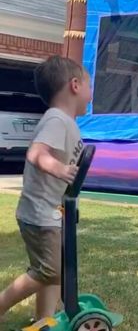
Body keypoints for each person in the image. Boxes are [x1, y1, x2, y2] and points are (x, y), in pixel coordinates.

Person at [0, 56, 91, 322]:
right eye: (89, 86)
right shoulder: (57, 120)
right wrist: (59, 168)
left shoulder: (64, 122)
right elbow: (36, 153)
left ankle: (44, 322)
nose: (90, 94)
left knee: (54, 270)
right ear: (75, 85)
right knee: (48, 271)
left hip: (51, 211)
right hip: (39, 214)